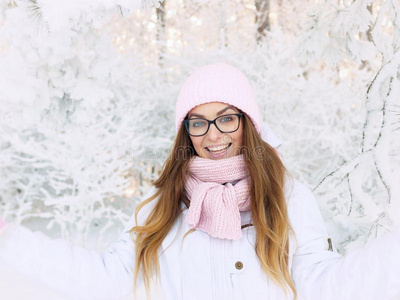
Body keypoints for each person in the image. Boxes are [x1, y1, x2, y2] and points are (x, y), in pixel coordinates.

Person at [1, 62, 400, 300]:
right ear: (186, 131)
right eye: (199, 121)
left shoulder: (287, 197)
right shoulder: (161, 206)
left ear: (249, 123)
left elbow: (326, 286)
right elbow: (106, 280)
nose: (213, 135)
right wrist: (10, 242)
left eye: (227, 117)